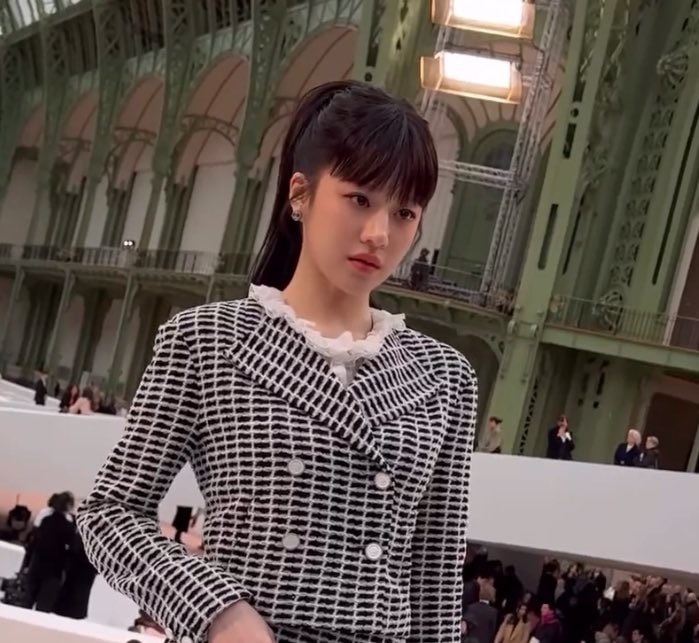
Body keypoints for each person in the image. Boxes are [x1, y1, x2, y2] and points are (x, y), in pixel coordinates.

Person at [76, 80, 478, 643]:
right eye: (360, 199)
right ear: (300, 194)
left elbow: (434, 583)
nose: (378, 234)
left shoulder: (445, 378)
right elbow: (110, 513)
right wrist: (217, 610)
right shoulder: (207, 340)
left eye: (404, 212)